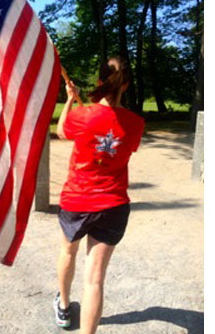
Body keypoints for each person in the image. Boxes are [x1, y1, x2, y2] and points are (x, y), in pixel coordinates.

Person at [53, 56, 145, 333]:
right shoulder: (135, 123)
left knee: (69, 251)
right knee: (94, 279)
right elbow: (117, 147)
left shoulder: (83, 115)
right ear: (126, 86)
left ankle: (64, 307)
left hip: (77, 200)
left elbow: (60, 132)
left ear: (99, 81)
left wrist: (71, 100)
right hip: (113, 205)